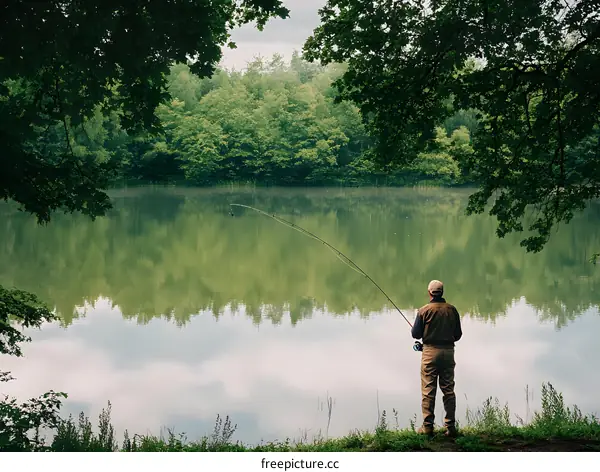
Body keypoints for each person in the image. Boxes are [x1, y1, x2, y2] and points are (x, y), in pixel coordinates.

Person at [411, 279, 462, 437]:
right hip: (448, 353)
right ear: (442, 292)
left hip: (429, 353)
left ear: (429, 293)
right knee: (448, 390)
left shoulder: (423, 310)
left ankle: (427, 428)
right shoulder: (452, 310)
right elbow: (458, 335)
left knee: (428, 391)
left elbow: (416, 334)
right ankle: (451, 427)